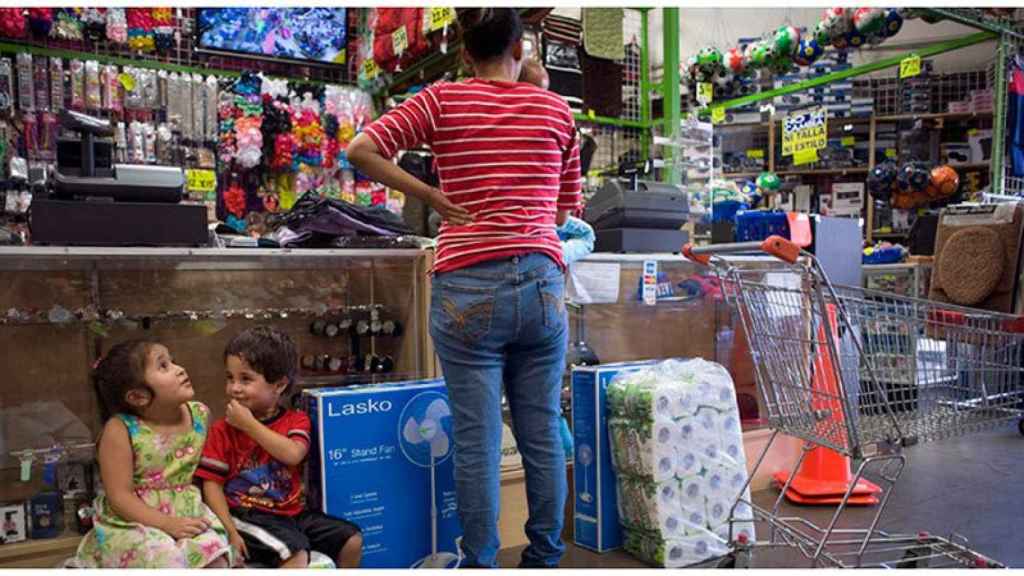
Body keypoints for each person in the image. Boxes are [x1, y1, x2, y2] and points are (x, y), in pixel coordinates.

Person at [347, 8, 581, 568]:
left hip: (466, 284)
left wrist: (431, 195)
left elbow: (361, 150)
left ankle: (480, 561)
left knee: (477, 439)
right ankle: (546, 556)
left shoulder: (441, 99)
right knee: (543, 429)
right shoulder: (556, 110)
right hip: (542, 283)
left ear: (463, 51)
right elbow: (567, 208)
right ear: (520, 46)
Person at [196, 326, 362, 568]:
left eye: (246, 379)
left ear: (280, 385)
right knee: (296, 553)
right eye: (230, 378)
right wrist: (229, 531)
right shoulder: (222, 430)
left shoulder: (297, 420)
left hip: (291, 513)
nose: (234, 388)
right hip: (245, 514)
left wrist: (249, 425)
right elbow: (211, 486)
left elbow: (294, 454)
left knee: (352, 539)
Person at [75, 340, 233, 568]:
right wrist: (167, 524)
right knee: (165, 559)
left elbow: (206, 473)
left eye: (173, 361)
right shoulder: (120, 430)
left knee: (217, 557)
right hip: (134, 519)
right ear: (138, 396)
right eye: (164, 366)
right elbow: (119, 496)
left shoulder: (200, 414)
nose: (180, 369)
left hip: (189, 511)